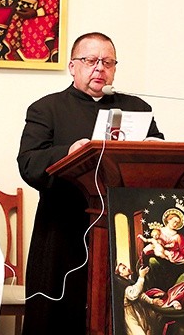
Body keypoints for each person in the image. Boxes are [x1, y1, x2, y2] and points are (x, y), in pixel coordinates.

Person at [17, 32, 164, 333]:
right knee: (59, 318)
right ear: (72, 66)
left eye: (107, 62)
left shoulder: (136, 107)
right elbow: (29, 163)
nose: (99, 68)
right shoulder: (47, 109)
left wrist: (153, 143)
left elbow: (159, 155)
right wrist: (69, 152)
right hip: (62, 227)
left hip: (122, 229)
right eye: (90, 61)